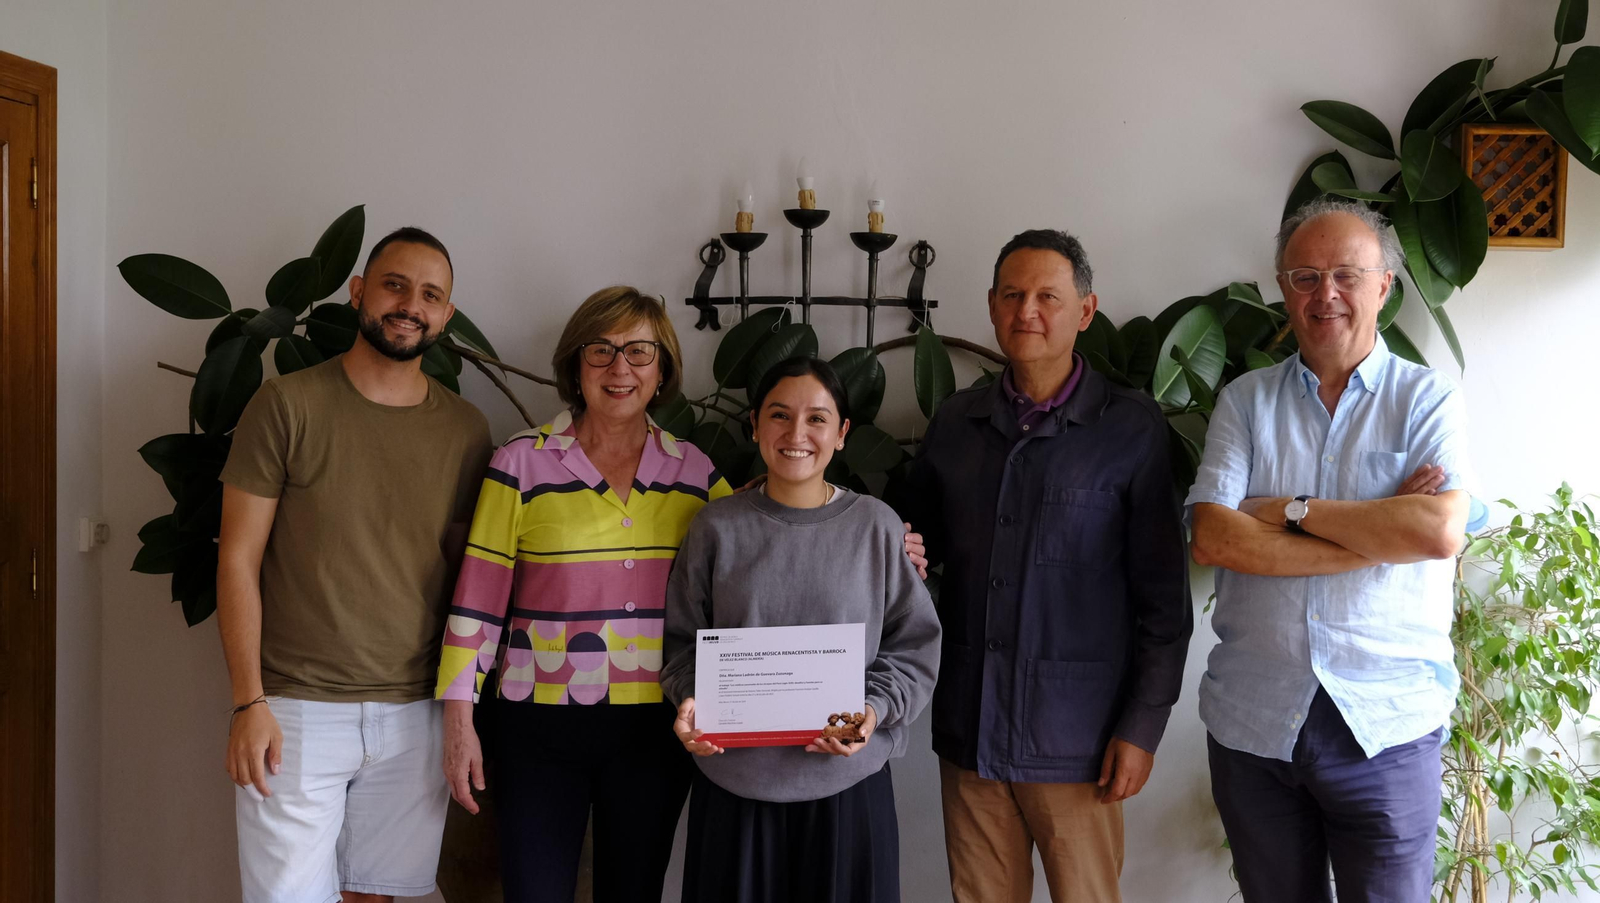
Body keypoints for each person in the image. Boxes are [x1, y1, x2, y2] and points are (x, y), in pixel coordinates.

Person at [1187, 197, 1475, 902]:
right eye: (1306, 276)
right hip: (1255, 724)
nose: (1327, 294)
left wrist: (1290, 512)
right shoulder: (1245, 402)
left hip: (1387, 726)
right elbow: (1214, 536)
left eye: (1347, 274)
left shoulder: (1427, 400)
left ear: (1385, 286)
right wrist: (1379, 531)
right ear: (1285, 288)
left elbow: (1437, 533)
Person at [893, 229, 1193, 903]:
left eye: (1047, 296)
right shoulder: (957, 421)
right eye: (1012, 294)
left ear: (1084, 311)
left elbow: (1163, 602)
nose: (1027, 310)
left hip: (1079, 740)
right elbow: (909, 545)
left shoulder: (1131, 429)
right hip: (971, 729)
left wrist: (1141, 728)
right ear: (993, 306)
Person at [218, 227, 493, 903]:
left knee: (377, 896)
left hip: (413, 712)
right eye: (395, 285)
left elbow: (468, 579)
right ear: (360, 291)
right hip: (297, 709)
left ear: (446, 316)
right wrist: (248, 700)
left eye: (430, 294)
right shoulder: (287, 404)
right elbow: (236, 559)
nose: (410, 304)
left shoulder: (465, 429)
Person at [435, 286, 731, 903]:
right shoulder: (520, 464)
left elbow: (768, 546)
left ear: (663, 369)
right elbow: (478, 601)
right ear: (576, 365)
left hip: (652, 727)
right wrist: (459, 722)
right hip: (533, 726)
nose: (620, 368)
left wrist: (888, 544)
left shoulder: (696, 473)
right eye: (601, 350)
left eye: (640, 352)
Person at [659, 356, 942, 903]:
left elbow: (913, 647)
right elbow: (682, 643)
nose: (796, 434)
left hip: (847, 786)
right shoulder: (716, 526)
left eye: (817, 419)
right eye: (779, 415)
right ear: (756, 426)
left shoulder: (877, 526)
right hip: (734, 785)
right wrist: (691, 699)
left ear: (842, 434)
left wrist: (872, 711)